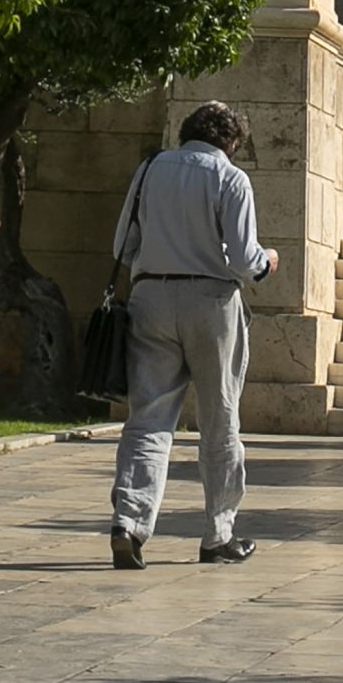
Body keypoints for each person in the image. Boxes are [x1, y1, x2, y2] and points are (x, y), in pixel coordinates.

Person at [107, 100, 277, 570]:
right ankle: (218, 534)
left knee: (148, 419)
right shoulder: (231, 178)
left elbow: (123, 246)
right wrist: (268, 261)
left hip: (151, 298)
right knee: (219, 419)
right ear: (231, 141)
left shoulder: (148, 171)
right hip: (212, 303)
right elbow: (245, 260)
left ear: (186, 132)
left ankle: (129, 523)